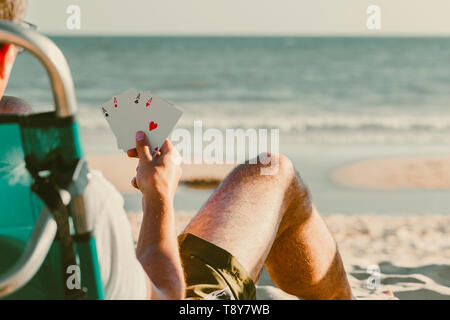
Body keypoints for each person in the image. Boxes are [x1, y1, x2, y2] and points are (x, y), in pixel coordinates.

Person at [0, 0, 352, 300]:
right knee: (271, 171)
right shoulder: (74, 202)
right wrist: (158, 196)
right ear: (6, 52)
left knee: (15, 106)